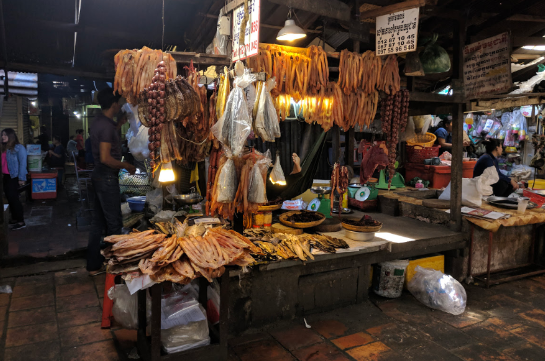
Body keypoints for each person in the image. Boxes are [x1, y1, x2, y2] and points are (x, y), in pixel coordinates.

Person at [87, 87, 135, 275]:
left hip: (98, 176)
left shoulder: (100, 122)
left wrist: (119, 124)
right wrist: (126, 166)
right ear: (114, 104)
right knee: (114, 223)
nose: (121, 105)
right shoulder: (106, 126)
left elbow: (105, 137)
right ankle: (118, 269)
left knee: (98, 222)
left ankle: (93, 265)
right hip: (106, 177)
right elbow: (106, 158)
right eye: (120, 103)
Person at [2, 128, 27, 230]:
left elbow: (23, 164)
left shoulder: (19, 148)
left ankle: (20, 221)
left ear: (11, 136)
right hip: (6, 176)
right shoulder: (4, 148)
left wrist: (21, 178)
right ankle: (14, 218)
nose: (2, 137)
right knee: (9, 198)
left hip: (14, 177)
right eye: (2, 135)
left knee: (14, 199)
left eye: (5, 135)